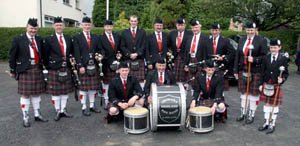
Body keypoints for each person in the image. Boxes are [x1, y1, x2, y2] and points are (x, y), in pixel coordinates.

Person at [9, 18, 48, 127]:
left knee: (37, 93)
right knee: (25, 95)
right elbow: (12, 56)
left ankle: (37, 114)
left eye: (35, 28)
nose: (33, 30)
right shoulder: (18, 39)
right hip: (25, 70)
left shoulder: (39, 39)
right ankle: (25, 117)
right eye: (31, 28)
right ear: (27, 27)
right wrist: (12, 69)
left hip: (37, 69)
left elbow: (43, 55)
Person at [234, 21, 268, 124]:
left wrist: (255, 59)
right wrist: (235, 70)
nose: (250, 31)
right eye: (248, 29)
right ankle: (243, 112)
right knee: (243, 92)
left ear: (255, 30)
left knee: (253, 94)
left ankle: (251, 114)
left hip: (255, 70)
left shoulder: (261, 40)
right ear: (246, 30)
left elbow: (265, 57)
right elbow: (237, 56)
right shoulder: (242, 40)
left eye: (252, 30)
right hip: (243, 68)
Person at [43, 17, 74, 121]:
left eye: (60, 25)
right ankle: (57, 110)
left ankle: (63, 109)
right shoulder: (49, 39)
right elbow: (45, 55)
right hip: (54, 68)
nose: (59, 27)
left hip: (66, 67)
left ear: (64, 26)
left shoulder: (69, 38)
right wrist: (49, 66)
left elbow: (72, 52)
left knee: (65, 91)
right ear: (54, 26)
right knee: (55, 92)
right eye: (57, 25)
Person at [258, 38, 289, 134]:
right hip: (266, 83)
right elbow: (262, 72)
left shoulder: (283, 59)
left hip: (276, 84)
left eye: (275, 48)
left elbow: (285, 73)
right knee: (267, 104)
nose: (273, 49)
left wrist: (282, 79)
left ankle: (272, 123)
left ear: (279, 47)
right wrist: (260, 84)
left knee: (274, 104)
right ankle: (266, 122)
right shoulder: (266, 58)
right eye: (271, 47)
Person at [73, 16, 102, 116]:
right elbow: (76, 53)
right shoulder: (77, 37)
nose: (87, 26)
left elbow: (99, 49)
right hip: (83, 66)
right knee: (83, 88)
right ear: (81, 25)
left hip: (94, 65)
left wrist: (99, 55)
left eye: (89, 24)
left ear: (91, 25)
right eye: (85, 24)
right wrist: (80, 65)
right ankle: (84, 107)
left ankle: (92, 105)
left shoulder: (95, 37)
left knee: (93, 88)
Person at [98, 20, 121, 108]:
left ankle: (115, 100)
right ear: (104, 27)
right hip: (106, 64)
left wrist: (119, 54)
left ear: (112, 27)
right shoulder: (100, 37)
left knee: (116, 83)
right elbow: (100, 49)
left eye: (110, 26)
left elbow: (119, 48)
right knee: (106, 84)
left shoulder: (117, 36)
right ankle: (107, 101)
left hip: (116, 64)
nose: (109, 28)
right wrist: (102, 55)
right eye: (107, 26)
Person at [120, 15, 147, 86]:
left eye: (135, 21)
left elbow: (144, 45)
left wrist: (137, 54)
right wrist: (129, 54)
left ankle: (140, 96)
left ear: (137, 22)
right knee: (129, 80)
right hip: (128, 59)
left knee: (140, 81)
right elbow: (122, 46)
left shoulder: (142, 32)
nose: (133, 23)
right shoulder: (124, 32)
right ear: (129, 21)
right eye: (132, 21)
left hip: (139, 58)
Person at [207, 23, 235, 91]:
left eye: (216, 30)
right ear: (210, 31)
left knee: (220, 90)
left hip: (220, 67)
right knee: (209, 88)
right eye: (213, 30)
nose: (214, 32)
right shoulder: (207, 41)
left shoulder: (225, 41)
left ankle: (219, 101)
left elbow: (232, 53)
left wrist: (223, 58)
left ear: (219, 31)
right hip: (209, 67)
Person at [184, 20, 209, 88]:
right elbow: (186, 52)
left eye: (196, 27)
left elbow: (207, 53)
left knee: (199, 82)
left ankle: (197, 98)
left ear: (200, 27)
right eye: (193, 28)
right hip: (191, 61)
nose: (194, 29)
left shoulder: (206, 38)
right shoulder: (189, 38)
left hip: (200, 62)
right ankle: (193, 97)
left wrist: (205, 65)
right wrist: (186, 64)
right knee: (191, 82)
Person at [168, 18, 193, 82]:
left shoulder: (190, 34)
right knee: (174, 77)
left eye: (182, 25)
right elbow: (169, 45)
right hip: (175, 58)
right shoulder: (172, 34)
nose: (180, 27)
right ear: (176, 25)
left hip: (185, 58)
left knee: (184, 78)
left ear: (185, 25)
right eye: (179, 25)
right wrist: (170, 53)